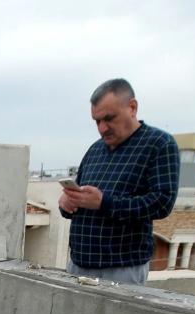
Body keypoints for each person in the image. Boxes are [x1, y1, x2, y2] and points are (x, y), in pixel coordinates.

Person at [58, 79, 179, 284]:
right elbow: (81, 198)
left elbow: (161, 203)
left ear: (132, 107)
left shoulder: (158, 144)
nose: (103, 128)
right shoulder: (95, 150)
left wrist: (105, 203)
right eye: (97, 121)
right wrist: (66, 203)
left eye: (109, 118)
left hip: (121, 269)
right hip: (79, 265)